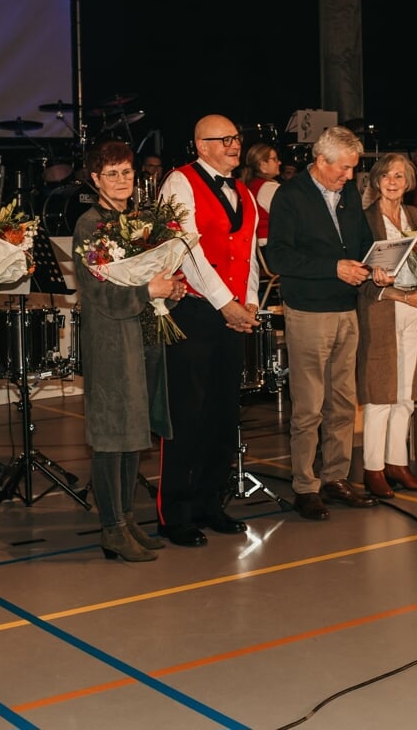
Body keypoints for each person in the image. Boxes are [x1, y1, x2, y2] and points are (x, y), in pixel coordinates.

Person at [266, 126, 387, 520]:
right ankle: (305, 484)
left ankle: (335, 477)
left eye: (353, 169)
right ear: (321, 161)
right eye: (345, 168)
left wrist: (378, 268)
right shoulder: (290, 196)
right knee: (308, 407)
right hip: (308, 310)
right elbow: (279, 258)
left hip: (346, 308)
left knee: (342, 403)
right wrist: (333, 268)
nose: (350, 176)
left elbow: (362, 244)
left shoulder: (348, 194)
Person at [75, 140, 184, 561]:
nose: (122, 180)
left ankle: (126, 517)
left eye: (127, 172)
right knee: (110, 435)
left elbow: (150, 276)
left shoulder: (139, 221)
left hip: (140, 334)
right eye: (112, 173)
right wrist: (147, 289)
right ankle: (112, 527)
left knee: (133, 433)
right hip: (108, 338)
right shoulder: (90, 225)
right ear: (96, 179)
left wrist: (168, 289)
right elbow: (98, 293)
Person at [155, 114, 260, 546]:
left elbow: (249, 252)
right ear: (201, 145)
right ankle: (174, 513)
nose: (236, 145)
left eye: (237, 137)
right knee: (187, 413)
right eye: (226, 139)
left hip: (233, 313)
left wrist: (250, 302)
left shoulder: (245, 192)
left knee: (222, 412)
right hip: (195, 314)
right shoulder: (179, 183)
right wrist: (226, 304)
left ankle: (210, 503)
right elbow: (188, 251)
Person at [355, 153, 417, 498]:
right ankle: (373, 468)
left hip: (414, 308)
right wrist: (389, 287)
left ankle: (397, 463)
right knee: (380, 394)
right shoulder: (363, 220)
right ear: (376, 181)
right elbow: (361, 278)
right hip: (382, 308)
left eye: (401, 176)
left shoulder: (416, 215)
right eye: (387, 175)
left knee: (406, 394)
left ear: (409, 183)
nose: (394, 181)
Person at [239, 141, 282, 245]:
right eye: (274, 159)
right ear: (263, 164)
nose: (279, 162)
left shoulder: (249, 185)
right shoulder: (269, 188)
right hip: (272, 245)